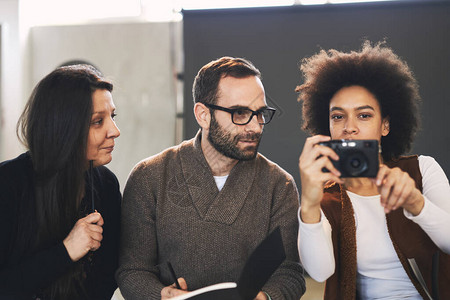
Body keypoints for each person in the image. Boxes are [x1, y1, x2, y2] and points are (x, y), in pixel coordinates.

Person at [116, 57, 305, 300]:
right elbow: (132, 270)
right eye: (240, 113)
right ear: (203, 115)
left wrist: (265, 297)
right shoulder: (150, 177)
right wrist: (162, 295)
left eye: (260, 114)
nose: (256, 127)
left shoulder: (280, 185)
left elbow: (290, 273)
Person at [296, 41, 450, 299]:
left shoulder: (422, 169)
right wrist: (310, 205)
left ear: (385, 126)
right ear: (328, 128)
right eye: (338, 116)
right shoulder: (327, 197)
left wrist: (416, 203)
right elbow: (320, 272)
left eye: (364, 115)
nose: (350, 127)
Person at [0, 65, 122, 299]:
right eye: (98, 121)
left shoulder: (106, 185)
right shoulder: (8, 185)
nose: (114, 131)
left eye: (112, 117)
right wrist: (66, 251)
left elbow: (107, 279)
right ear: (64, 126)